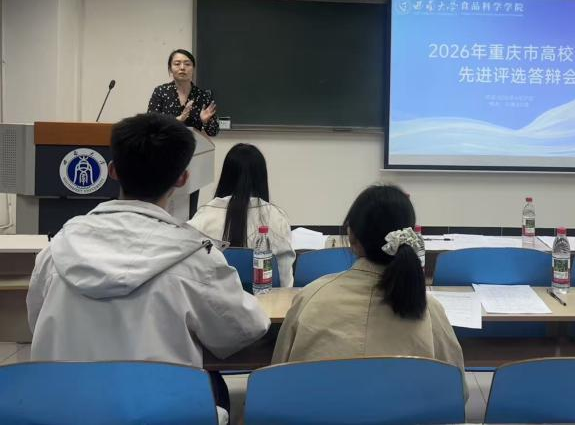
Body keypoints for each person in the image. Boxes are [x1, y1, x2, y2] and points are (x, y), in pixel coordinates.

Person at [27, 113, 270, 422]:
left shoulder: (56, 250)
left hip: (64, 414)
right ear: (182, 178)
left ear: (113, 171)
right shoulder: (196, 259)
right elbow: (245, 329)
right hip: (159, 415)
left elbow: (36, 324)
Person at [272, 184, 465, 393]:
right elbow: (457, 392)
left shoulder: (310, 298)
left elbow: (277, 380)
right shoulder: (429, 310)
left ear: (351, 235)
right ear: (409, 236)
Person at [189, 143, 295, 287]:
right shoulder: (276, 217)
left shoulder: (203, 217)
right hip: (265, 300)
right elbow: (285, 281)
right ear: (261, 178)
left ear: (226, 176)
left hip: (212, 300)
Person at [148, 49, 218, 216]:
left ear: (193, 68)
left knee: (189, 208)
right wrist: (177, 120)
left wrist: (205, 121)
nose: (182, 68)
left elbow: (214, 131)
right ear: (170, 68)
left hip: (193, 157)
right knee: (162, 204)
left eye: (187, 64)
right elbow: (150, 124)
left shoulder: (202, 95)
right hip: (163, 155)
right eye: (177, 64)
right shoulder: (161, 92)